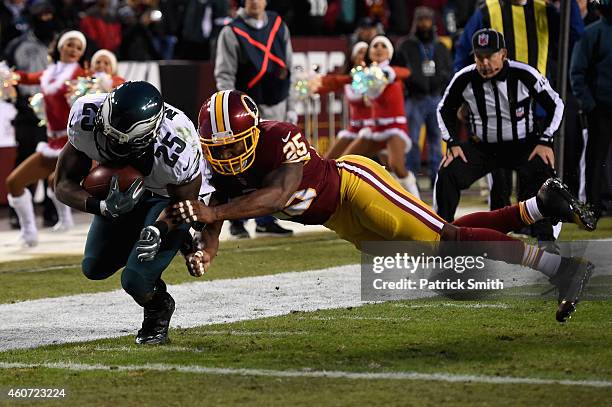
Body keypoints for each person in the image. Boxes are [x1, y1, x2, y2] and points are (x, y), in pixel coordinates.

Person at [168, 89, 595, 323]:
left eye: (234, 146)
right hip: (339, 220)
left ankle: (562, 270)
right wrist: (206, 250)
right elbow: (216, 219)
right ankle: (537, 208)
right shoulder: (222, 171)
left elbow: (276, 196)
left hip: (356, 186)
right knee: (438, 239)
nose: (225, 158)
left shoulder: (279, 135)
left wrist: (212, 213)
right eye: (217, 149)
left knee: (447, 240)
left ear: (255, 133)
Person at [54, 81, 213, 345]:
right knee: (94, 267)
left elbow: (185, 204)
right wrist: (102, 207)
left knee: (135, 279)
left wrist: (159, 229)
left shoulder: (177, 145)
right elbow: (62, 184)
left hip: (167, 198)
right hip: (126, 192)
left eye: (120, 142)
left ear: (149, 135)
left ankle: (158, 307)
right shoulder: (86, 114)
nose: (110, 145)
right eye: (107, 135)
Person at [433, 29, 566, 244]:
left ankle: (546, 241)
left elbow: (556, 104)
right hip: (484, 148)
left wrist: (545, 140)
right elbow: (444, 109)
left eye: (489, 56)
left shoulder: (524, 73)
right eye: (479, 57)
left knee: (545, 180)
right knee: (448, 172)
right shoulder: (465, 78)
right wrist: (452, 143)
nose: (484, 63)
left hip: (524, 145)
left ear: (503, 54)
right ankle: (441, 236)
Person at [214, 0, 294, 238]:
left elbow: (288, 68)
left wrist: (291, 107)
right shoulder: (231, 31)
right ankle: (237, 221)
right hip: (245, 110)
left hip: (276, 103)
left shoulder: (279, 25)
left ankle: (266, 218)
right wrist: (230, 108)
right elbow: (224, 75)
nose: (254, 2)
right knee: (239, 165)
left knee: (272, 164)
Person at [6, 30, 87, 246]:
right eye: (70, 44)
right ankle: (30, 232)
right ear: (60, 46)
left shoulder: (80, 74)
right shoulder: (49, 72)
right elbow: (25, 77)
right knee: (14, 183)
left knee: (55, 182)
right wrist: (6, 75)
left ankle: (68, 219)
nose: (74, 50)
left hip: (74, 146)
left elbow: (101, 82)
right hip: (51, 144)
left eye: (79, 48)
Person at [342, 35, 420, 198]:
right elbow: (346, 82)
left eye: (383, 46)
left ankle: (417, 202)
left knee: (396, 165)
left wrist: (389, 72)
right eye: (375, 46)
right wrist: (319, 83)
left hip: (394, 128)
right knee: (346, 161)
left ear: (390, 53)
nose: (378, 49)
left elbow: (406, 72)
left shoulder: (393, 71)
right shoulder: (366, 75)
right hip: (375, 128)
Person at [396, 6, 452, 188]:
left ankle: (437, 179)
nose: (424, 23)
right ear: (415, 22)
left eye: (427, 20)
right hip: (414, 98)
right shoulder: (406, 45)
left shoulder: (440, 46)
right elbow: (398, 70)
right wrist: (413, 81)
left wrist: (439, 82)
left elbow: (448, 70)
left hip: (435, 98)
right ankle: (411, 179)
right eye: (420, 20)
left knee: (436, 140)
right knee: (412, 140)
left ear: (432, 22)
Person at [570, 0, 612, 219]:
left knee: (597, 159)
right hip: (601, 108)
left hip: (600, 105)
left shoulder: (592, 32)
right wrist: (590, 106)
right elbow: (576, 72)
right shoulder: (592, 34)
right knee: (596, 159)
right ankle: (594, 206)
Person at [314, 41, 373, 160]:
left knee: (392, 165)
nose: (363, 56)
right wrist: (312, 85)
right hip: (354, 128)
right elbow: (331, 83)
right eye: (360, 53)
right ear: (353, 57)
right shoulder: (348, 79)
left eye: (366, 53)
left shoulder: (375, 76)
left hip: (373, 128)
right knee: (329, 161)